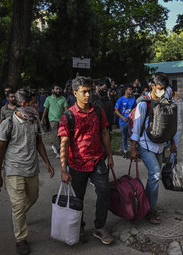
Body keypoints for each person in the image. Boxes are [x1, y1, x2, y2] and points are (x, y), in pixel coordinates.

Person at [0, 89, 54, 255]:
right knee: (19, 205)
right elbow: (0, 151)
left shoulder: (34, 121)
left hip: (31, 168)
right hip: (13, 169)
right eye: (35, 102)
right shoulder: (8, 123)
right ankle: (21, 239)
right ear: (25, 104)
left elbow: (39, 142)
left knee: (33, 197)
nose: (37, 105)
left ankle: (17, 216)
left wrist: (47, 163)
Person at [58, 76, 114, 245]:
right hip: (76, 165)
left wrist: (110, 155)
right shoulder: (68, 116)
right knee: (78, 199)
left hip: (97, 161)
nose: (88, 95)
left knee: (104, 191)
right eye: (84, 92)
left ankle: (100, 227)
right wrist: (63, 170)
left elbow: (104, 133)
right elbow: (64, 143)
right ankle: (78, 227)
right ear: (75, 93)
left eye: (89, 91)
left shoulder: (97, 111)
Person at [130, 73, 176, 224]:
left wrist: (173, 143)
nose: (162, 91)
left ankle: (147, 204)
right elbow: (137, 127)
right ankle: (149, 209)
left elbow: (168, 126)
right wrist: (133, 148)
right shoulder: (144, 104)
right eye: (159, 88)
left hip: (160, 146)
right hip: (145, 145)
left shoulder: (166, 102)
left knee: (155, 176)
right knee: (155, 174)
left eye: (164, 88)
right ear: (152, 86)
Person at [41, 84, 68, 158]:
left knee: (62, 135)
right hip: (53, 120)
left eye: (59, 89)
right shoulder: (49, 99)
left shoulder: (63, 98)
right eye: (56, 89)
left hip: (62, 120)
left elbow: (66, 109)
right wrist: (42, 120)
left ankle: (58, 148)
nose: (58, 90)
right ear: (52, 90)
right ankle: (59, 152)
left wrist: (68, 118)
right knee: (56, 135)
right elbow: (45, 110)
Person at [115, 85, 136, 158]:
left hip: (131, 123)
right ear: (125, 90)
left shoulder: (133, 100)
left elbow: (135, 110)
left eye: (131, 90)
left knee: (131, 137)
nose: (131, 91)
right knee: (124, 137)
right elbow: (116, 110)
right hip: (123, 122)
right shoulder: (120, 100)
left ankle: (132, 150)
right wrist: (122, 117)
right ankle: (125, 151)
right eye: (130, 89)